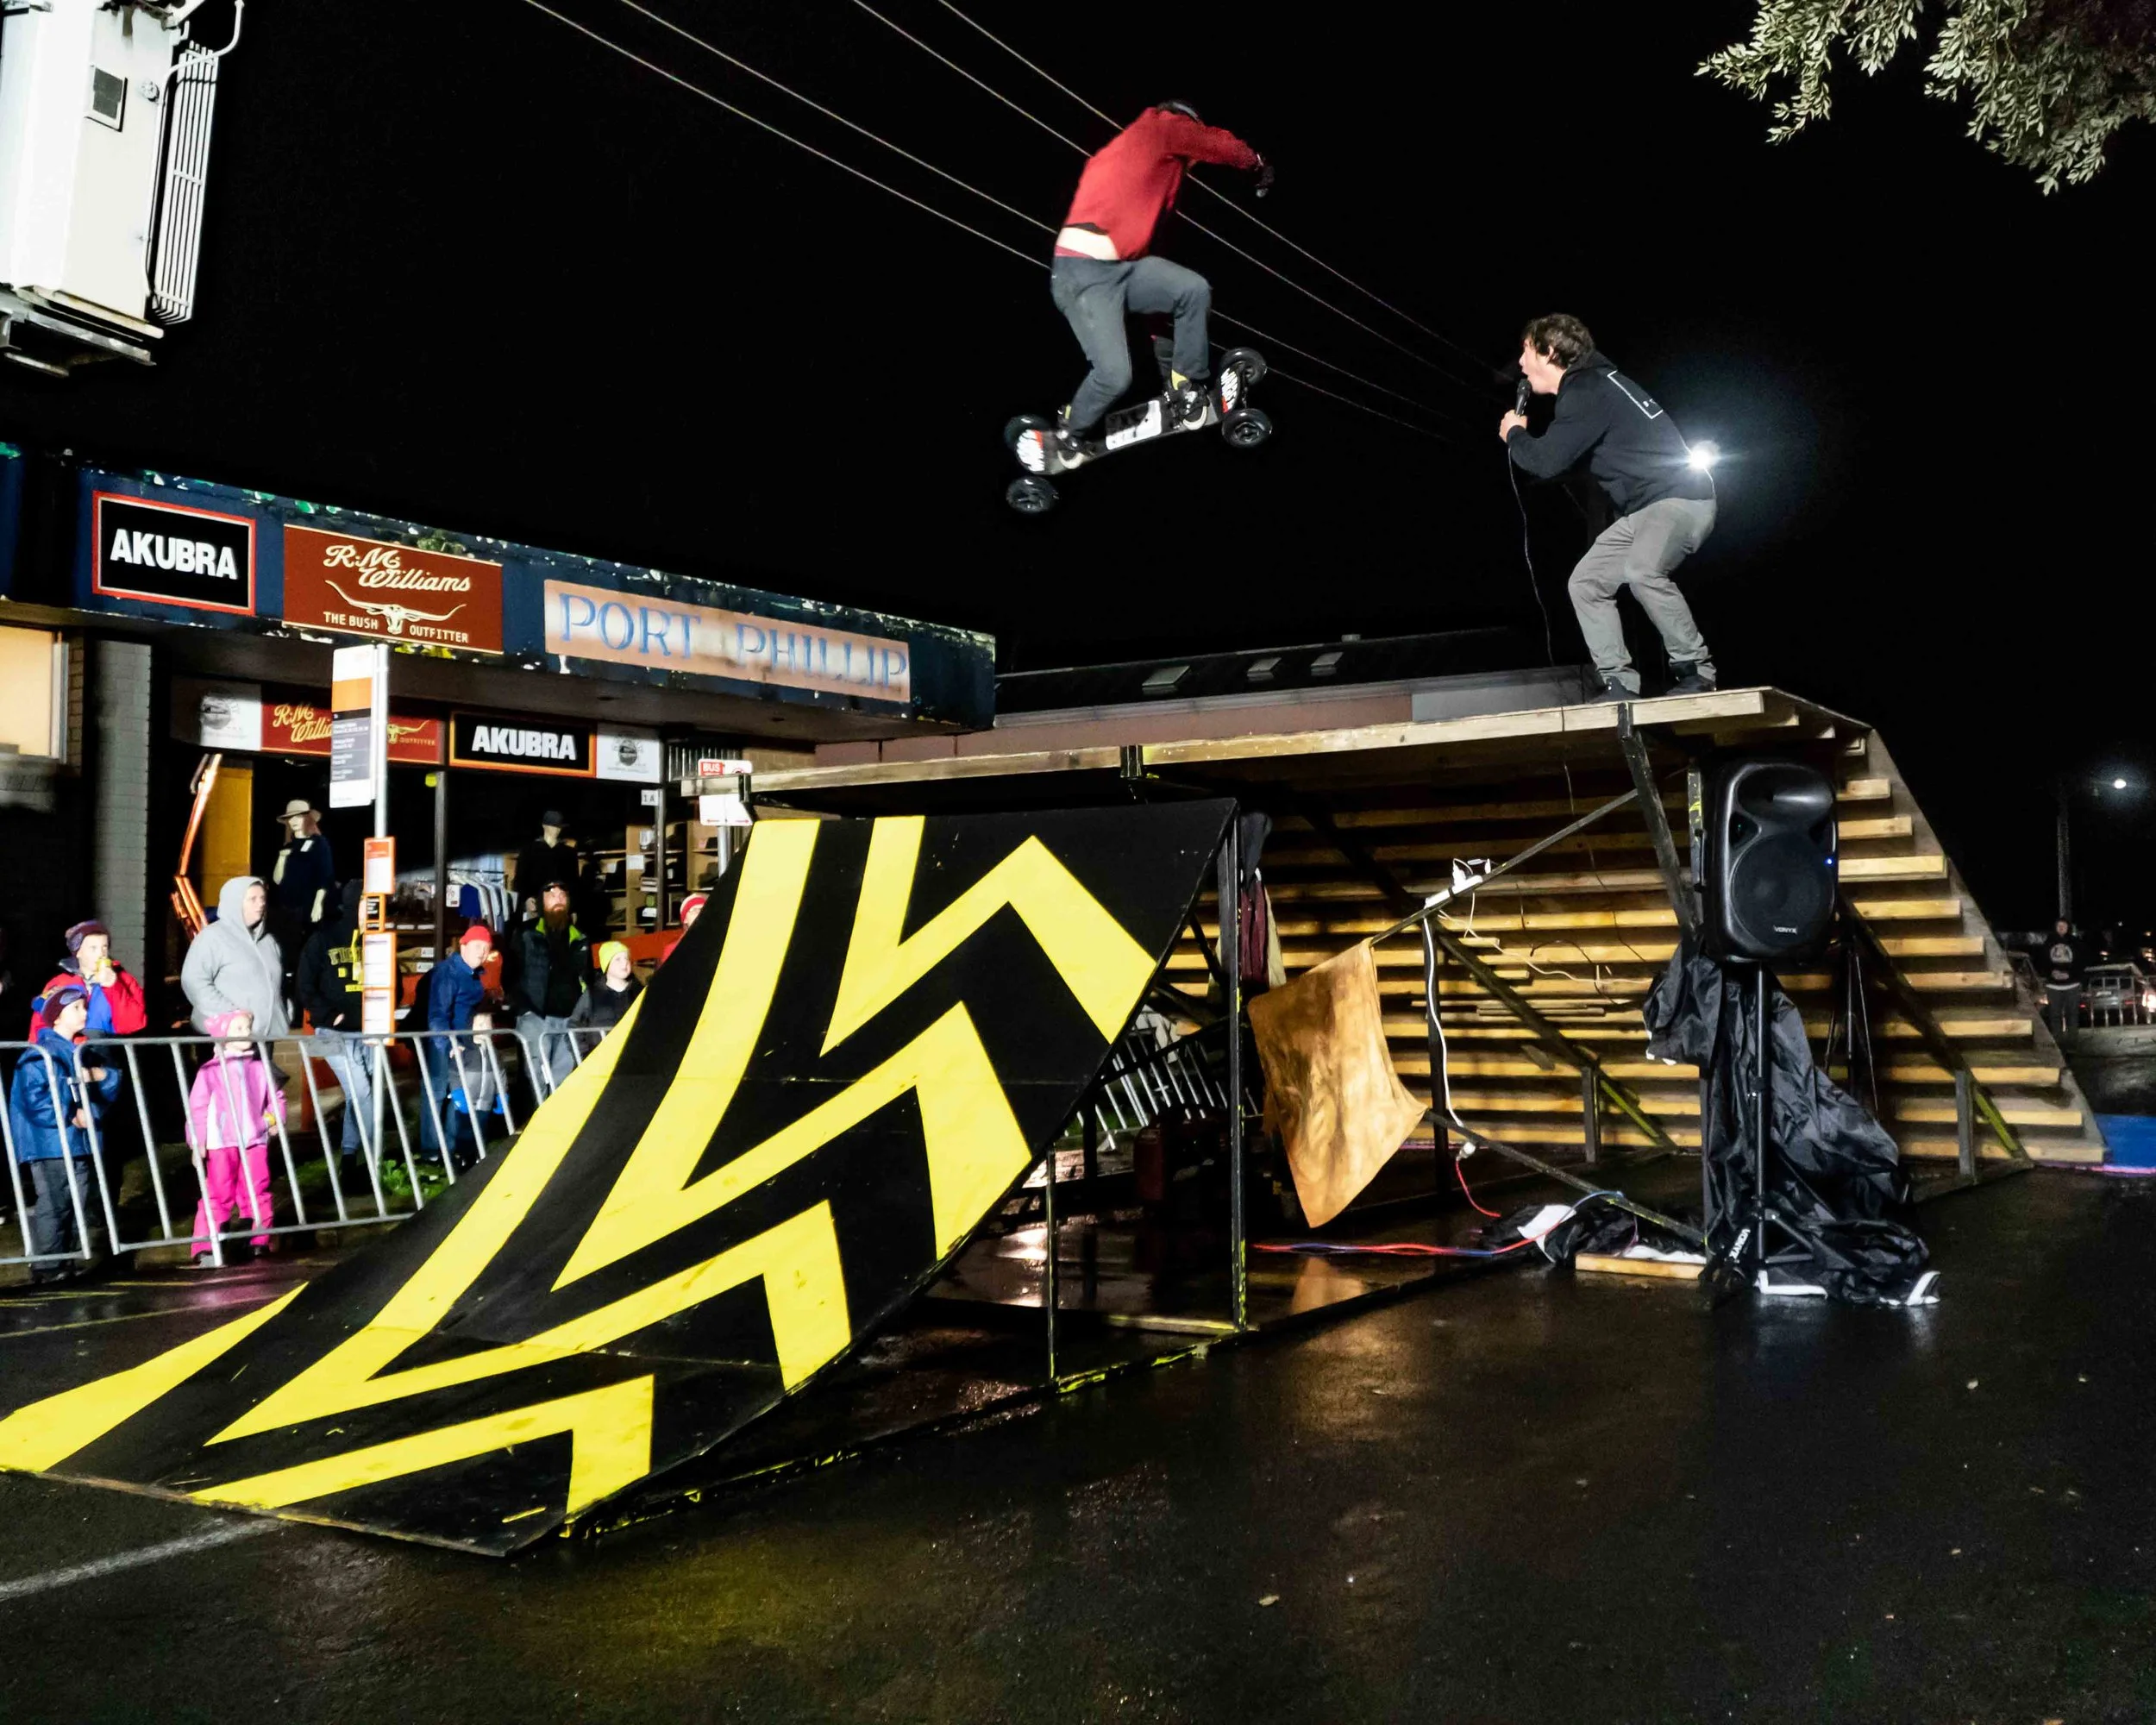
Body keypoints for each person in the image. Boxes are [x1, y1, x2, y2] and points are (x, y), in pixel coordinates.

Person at [1501, 314, 1720, 701]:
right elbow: (1564, 459)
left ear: (1549, 352)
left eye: (1526, 351)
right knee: (1586, 582)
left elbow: (1546, 461)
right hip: (1644, 510)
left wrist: (1515, 434)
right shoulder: (1596, 384)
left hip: (1679, 499)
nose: (1520, 363)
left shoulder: (1587, 389)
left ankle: (1696, 671)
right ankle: (1618, 683)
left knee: (1642, 570)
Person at [1047, 103, 1270, 461]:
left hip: (1122, 271)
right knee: (1115, 376)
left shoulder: (1151, 174)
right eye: (1190, 159)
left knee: (1191, 290)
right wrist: (1255, 164)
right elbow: (1216, 144)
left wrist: (1172, 368)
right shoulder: (1162, 127)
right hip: (1082, 272)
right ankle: (1068, 431)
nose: (1191, 165)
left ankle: (1183, 387)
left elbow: (1157, 292)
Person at [6, 985, 121, 1280]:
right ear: (57, 1017)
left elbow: (109, 1089)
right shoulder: (40, 1053)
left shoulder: (80, 1051)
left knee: (76, 1202)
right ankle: (48, 1264)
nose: (84, 1013)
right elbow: (35, 1100)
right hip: (50, 1145)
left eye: (84, 1007)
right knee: (55, 1202)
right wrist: (71, 1115)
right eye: (77, 1008)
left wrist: (100, 1076)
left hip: (76, 1142)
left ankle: (65, 1260)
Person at [186, 1010, 284, 1266]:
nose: (246, 1033)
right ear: (223, 1037)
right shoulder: (210, 1070)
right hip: (221, 1141)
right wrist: (198, 1142)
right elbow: (197, 1108)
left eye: (247, 1027)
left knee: (257, 1188)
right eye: (239, 1028)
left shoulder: (260, 1067)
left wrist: (272, 1120)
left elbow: (276, 1097)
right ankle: (207, 1244)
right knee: (218, 1192)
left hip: (254, 1139)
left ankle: (259, 1239)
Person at [298, 881, 374, 1175]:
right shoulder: (323, 939)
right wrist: (329, 1015)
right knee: (362, 1092)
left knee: (360, 1094)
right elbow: (304, 985)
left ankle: (350, 1156)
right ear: (355, 904)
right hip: (329, 1032)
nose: (374, 909)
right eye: (368, 902)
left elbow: (390, 978)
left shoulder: (377, 939)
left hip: (368, 1030)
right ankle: (373, 1156)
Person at [426, 925, 498, 1168]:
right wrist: (447, 1043)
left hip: (463, 1042)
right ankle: (432, 1151)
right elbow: (438, 1013)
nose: (482, 952)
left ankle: (451, 1148)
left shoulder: (472, 973)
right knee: (438, 1093)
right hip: (445, 1042)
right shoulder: (448, 973)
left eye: (486, 948)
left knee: (455, 1094)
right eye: (477, 946)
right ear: (464, 946)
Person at [182, 877, 290, 1036]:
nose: (261, 903)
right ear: (235, 902)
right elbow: (193, 981)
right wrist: (231, 1014)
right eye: (253, 899)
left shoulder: (268, 942)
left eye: (262, 898)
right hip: (224, 1037)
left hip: (263, 1037)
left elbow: (279, 985)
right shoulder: (212, 937)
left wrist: (284, 1013)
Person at [517, 883, 589, 1090]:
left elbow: (586, 976)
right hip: (537, 1018)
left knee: (563, 1082)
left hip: (569, 1019)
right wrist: (525, 1009)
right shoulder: (526, 933)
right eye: (551, 895)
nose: (558, 899)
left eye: (562, 895)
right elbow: (511, 972)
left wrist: (581, 1012)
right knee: (536, 1081)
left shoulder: (580, 936)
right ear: (542, 902)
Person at [27, 919, 147, 1040]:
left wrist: (114, 987)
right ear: (78, 952)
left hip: (106, 1048)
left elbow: (134, 1023)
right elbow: (39, 1025)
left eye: (104, 947)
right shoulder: (60, 983)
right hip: (68, 1049)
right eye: (93, 948)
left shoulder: (123, 980)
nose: (101, 954)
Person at [271, 799, 336, 928]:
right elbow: (278, 880)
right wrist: (282, 858)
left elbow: (325, 875)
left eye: (298, 817)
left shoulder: (319, 843)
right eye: (290, 818)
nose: (293, 821)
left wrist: (318, 904)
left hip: (309, 908)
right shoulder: (288, 845)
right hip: (287, 910)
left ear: (307, 819)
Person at [512, 811, 580, 930]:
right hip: (536, 904)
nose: (557, 830)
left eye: (559, 827)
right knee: (536, 935)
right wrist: (526, 899)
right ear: (544, 826)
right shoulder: (529, 851)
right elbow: (520, 880)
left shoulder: (569, 853)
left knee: (560, 935)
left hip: (561, 905)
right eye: (553, 826)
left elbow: (574, 883)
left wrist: (573, 908)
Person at [571, 940, 642, 1041]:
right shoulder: (592, 994)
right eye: (618, 959)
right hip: (600, 1050)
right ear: (606, 964)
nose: (625, 963)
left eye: (627, 958)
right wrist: (583, 1050)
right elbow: (575, 1024)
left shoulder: (640, 992)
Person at [2038, 919, 2084, 1038]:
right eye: (2059, 925)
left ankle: (2072, 1041)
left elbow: (2081, 963)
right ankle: (2057, 1041)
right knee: (2055, 1015)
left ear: (2068, 928)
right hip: (2053, 986)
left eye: (2064, 926)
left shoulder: (2075, 943)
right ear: (2055, 927)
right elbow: (2042, 962)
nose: (2061, 928)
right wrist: (2051, 972)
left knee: (2072, 1015)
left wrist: (2070, 974)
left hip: (2072, 985)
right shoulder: (2048, 942)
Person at [661, 891, 708, 963]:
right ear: (685, 919)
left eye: (702, 910)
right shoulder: (673, 950)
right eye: (695, 910)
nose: (699, 914)